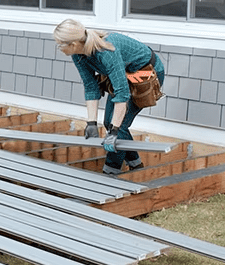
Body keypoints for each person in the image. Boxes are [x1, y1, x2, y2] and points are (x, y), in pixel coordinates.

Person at [53, 19, 165, 175]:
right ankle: (136, 166)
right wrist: (91, 123)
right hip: (125, 74)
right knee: (109, 122)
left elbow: (122, 94)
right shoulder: (78, 54)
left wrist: (113, 133)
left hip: (146, 73)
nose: (58, 48)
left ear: (72, 44)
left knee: (118, 128)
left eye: (60, 44)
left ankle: (110, 173)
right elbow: (91, 87)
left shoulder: (106, 52)